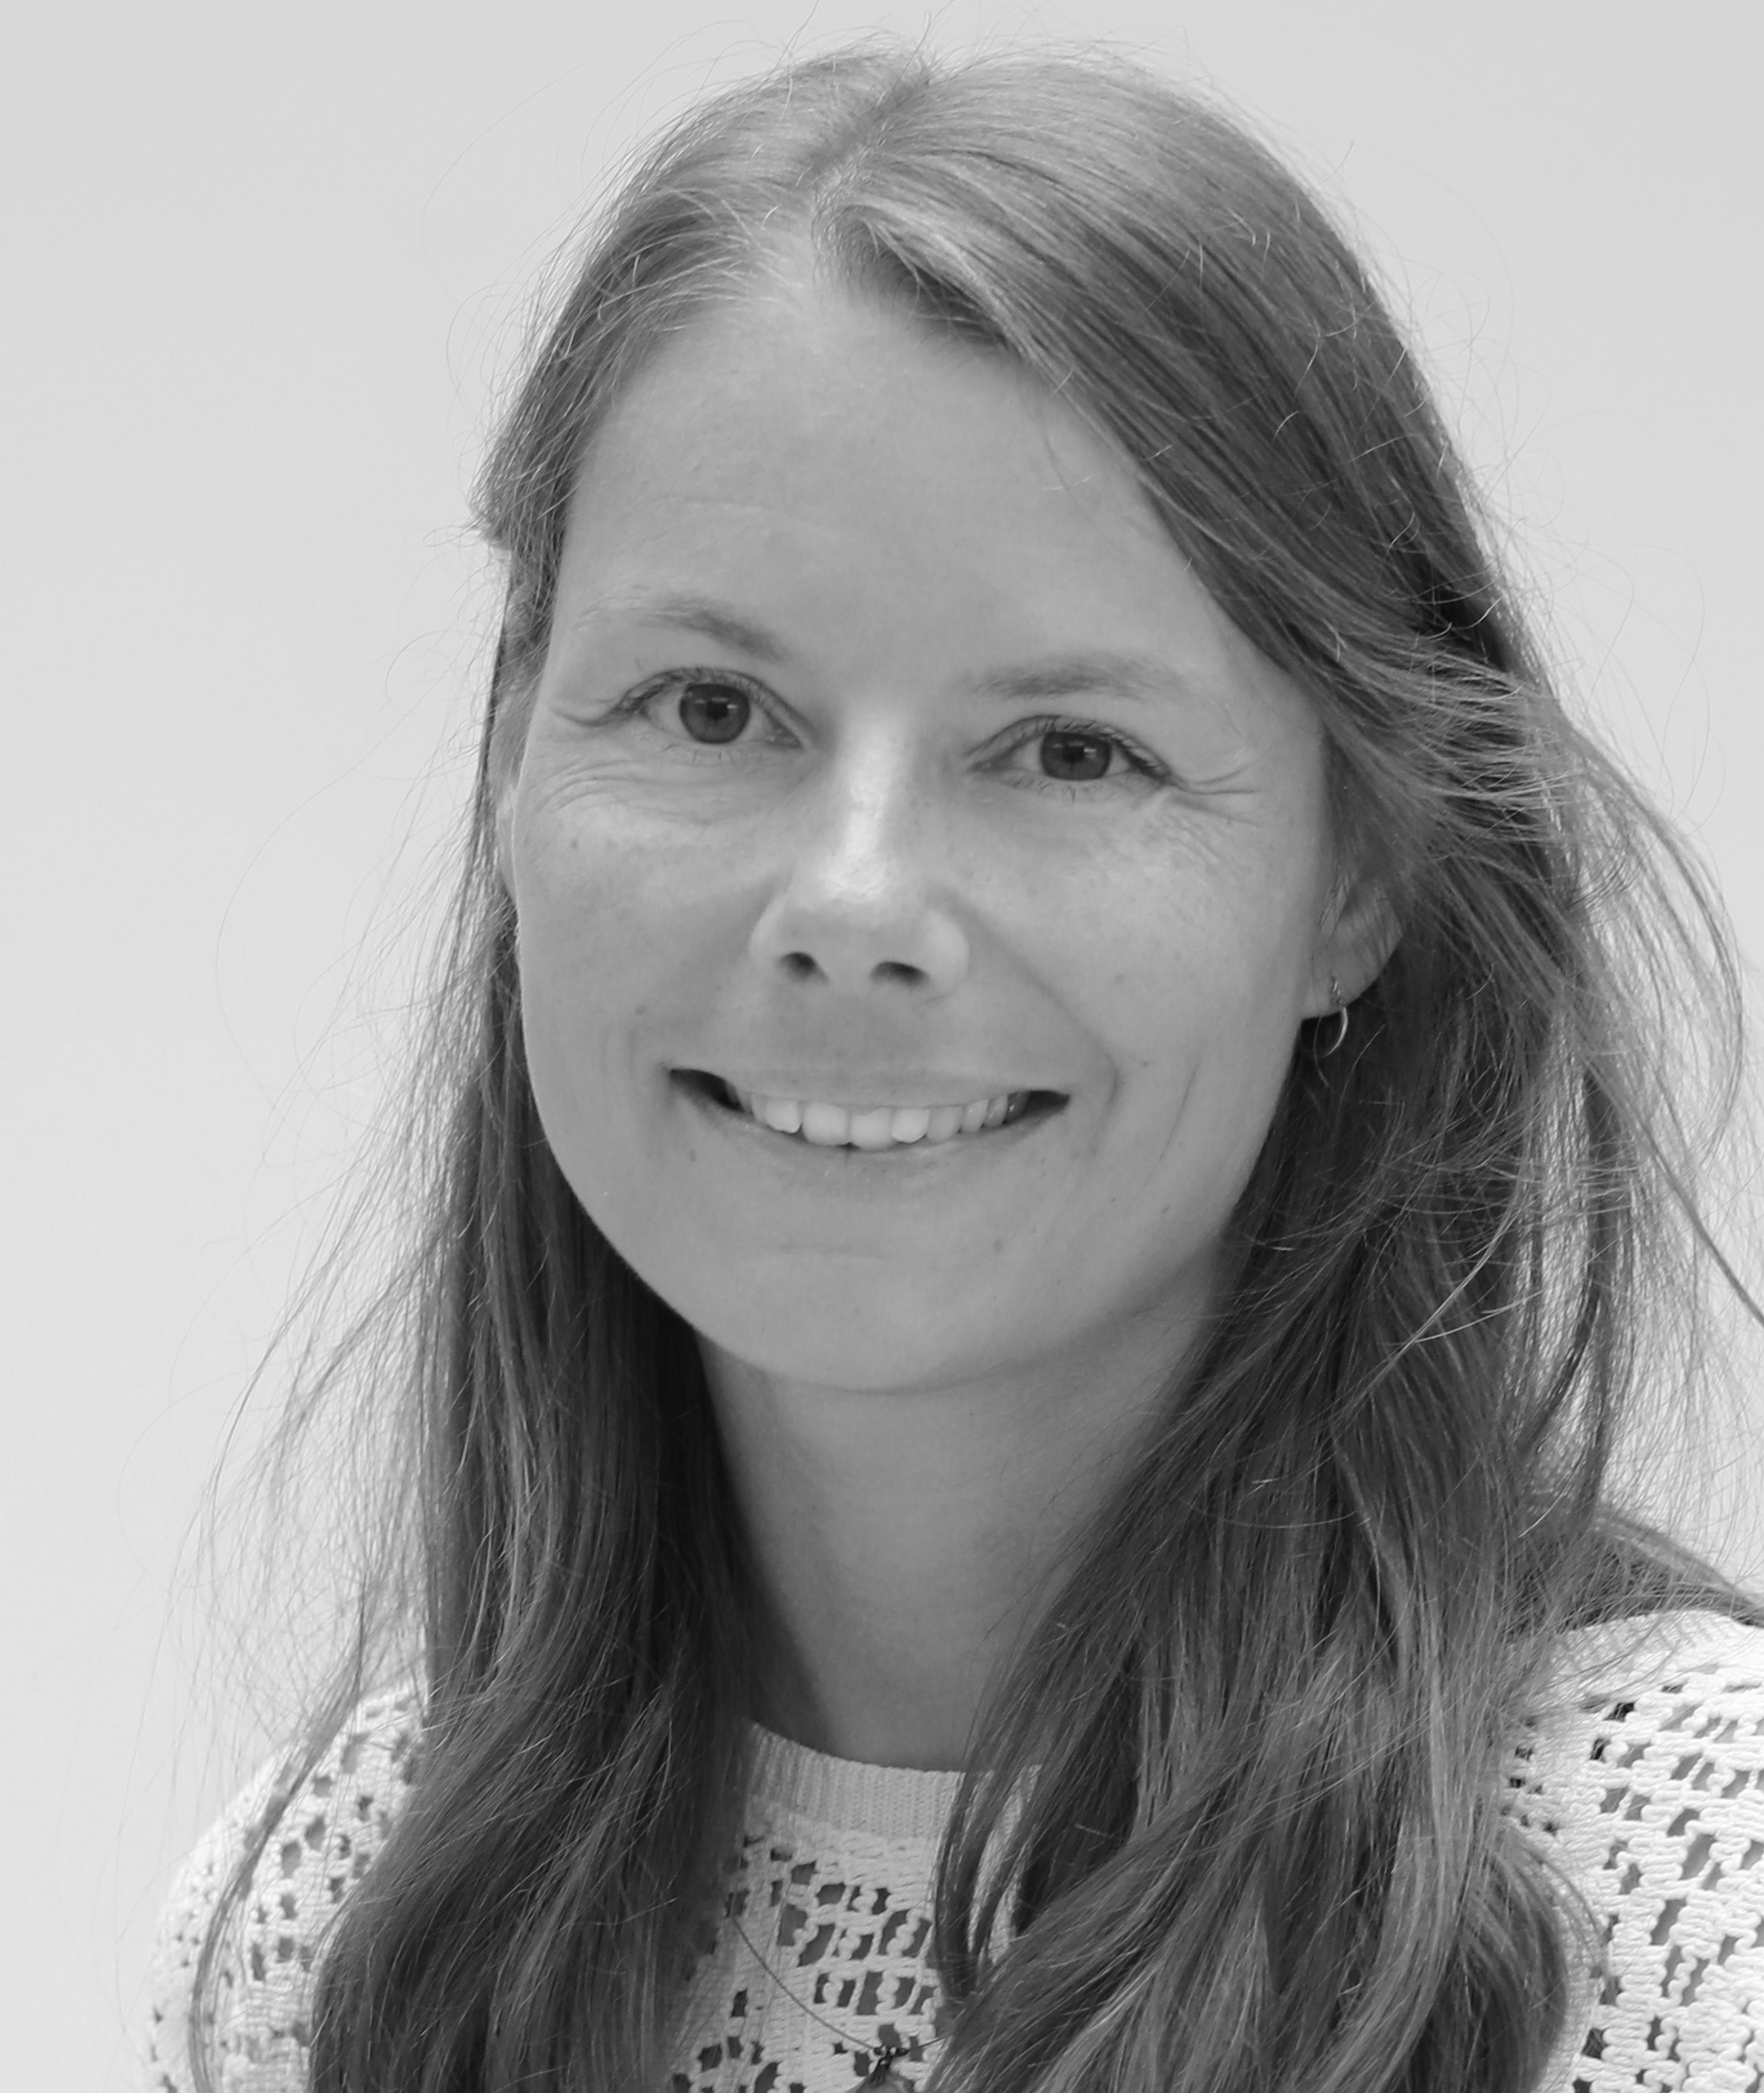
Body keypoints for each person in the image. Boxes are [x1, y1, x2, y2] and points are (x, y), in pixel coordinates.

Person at [144, 39, 1764, 2093]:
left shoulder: (1704, 1924)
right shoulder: (316, 1938)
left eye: (1072, 748)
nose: (854, 895)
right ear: (513, 777)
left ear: (1360, 875)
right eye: (711, 706)